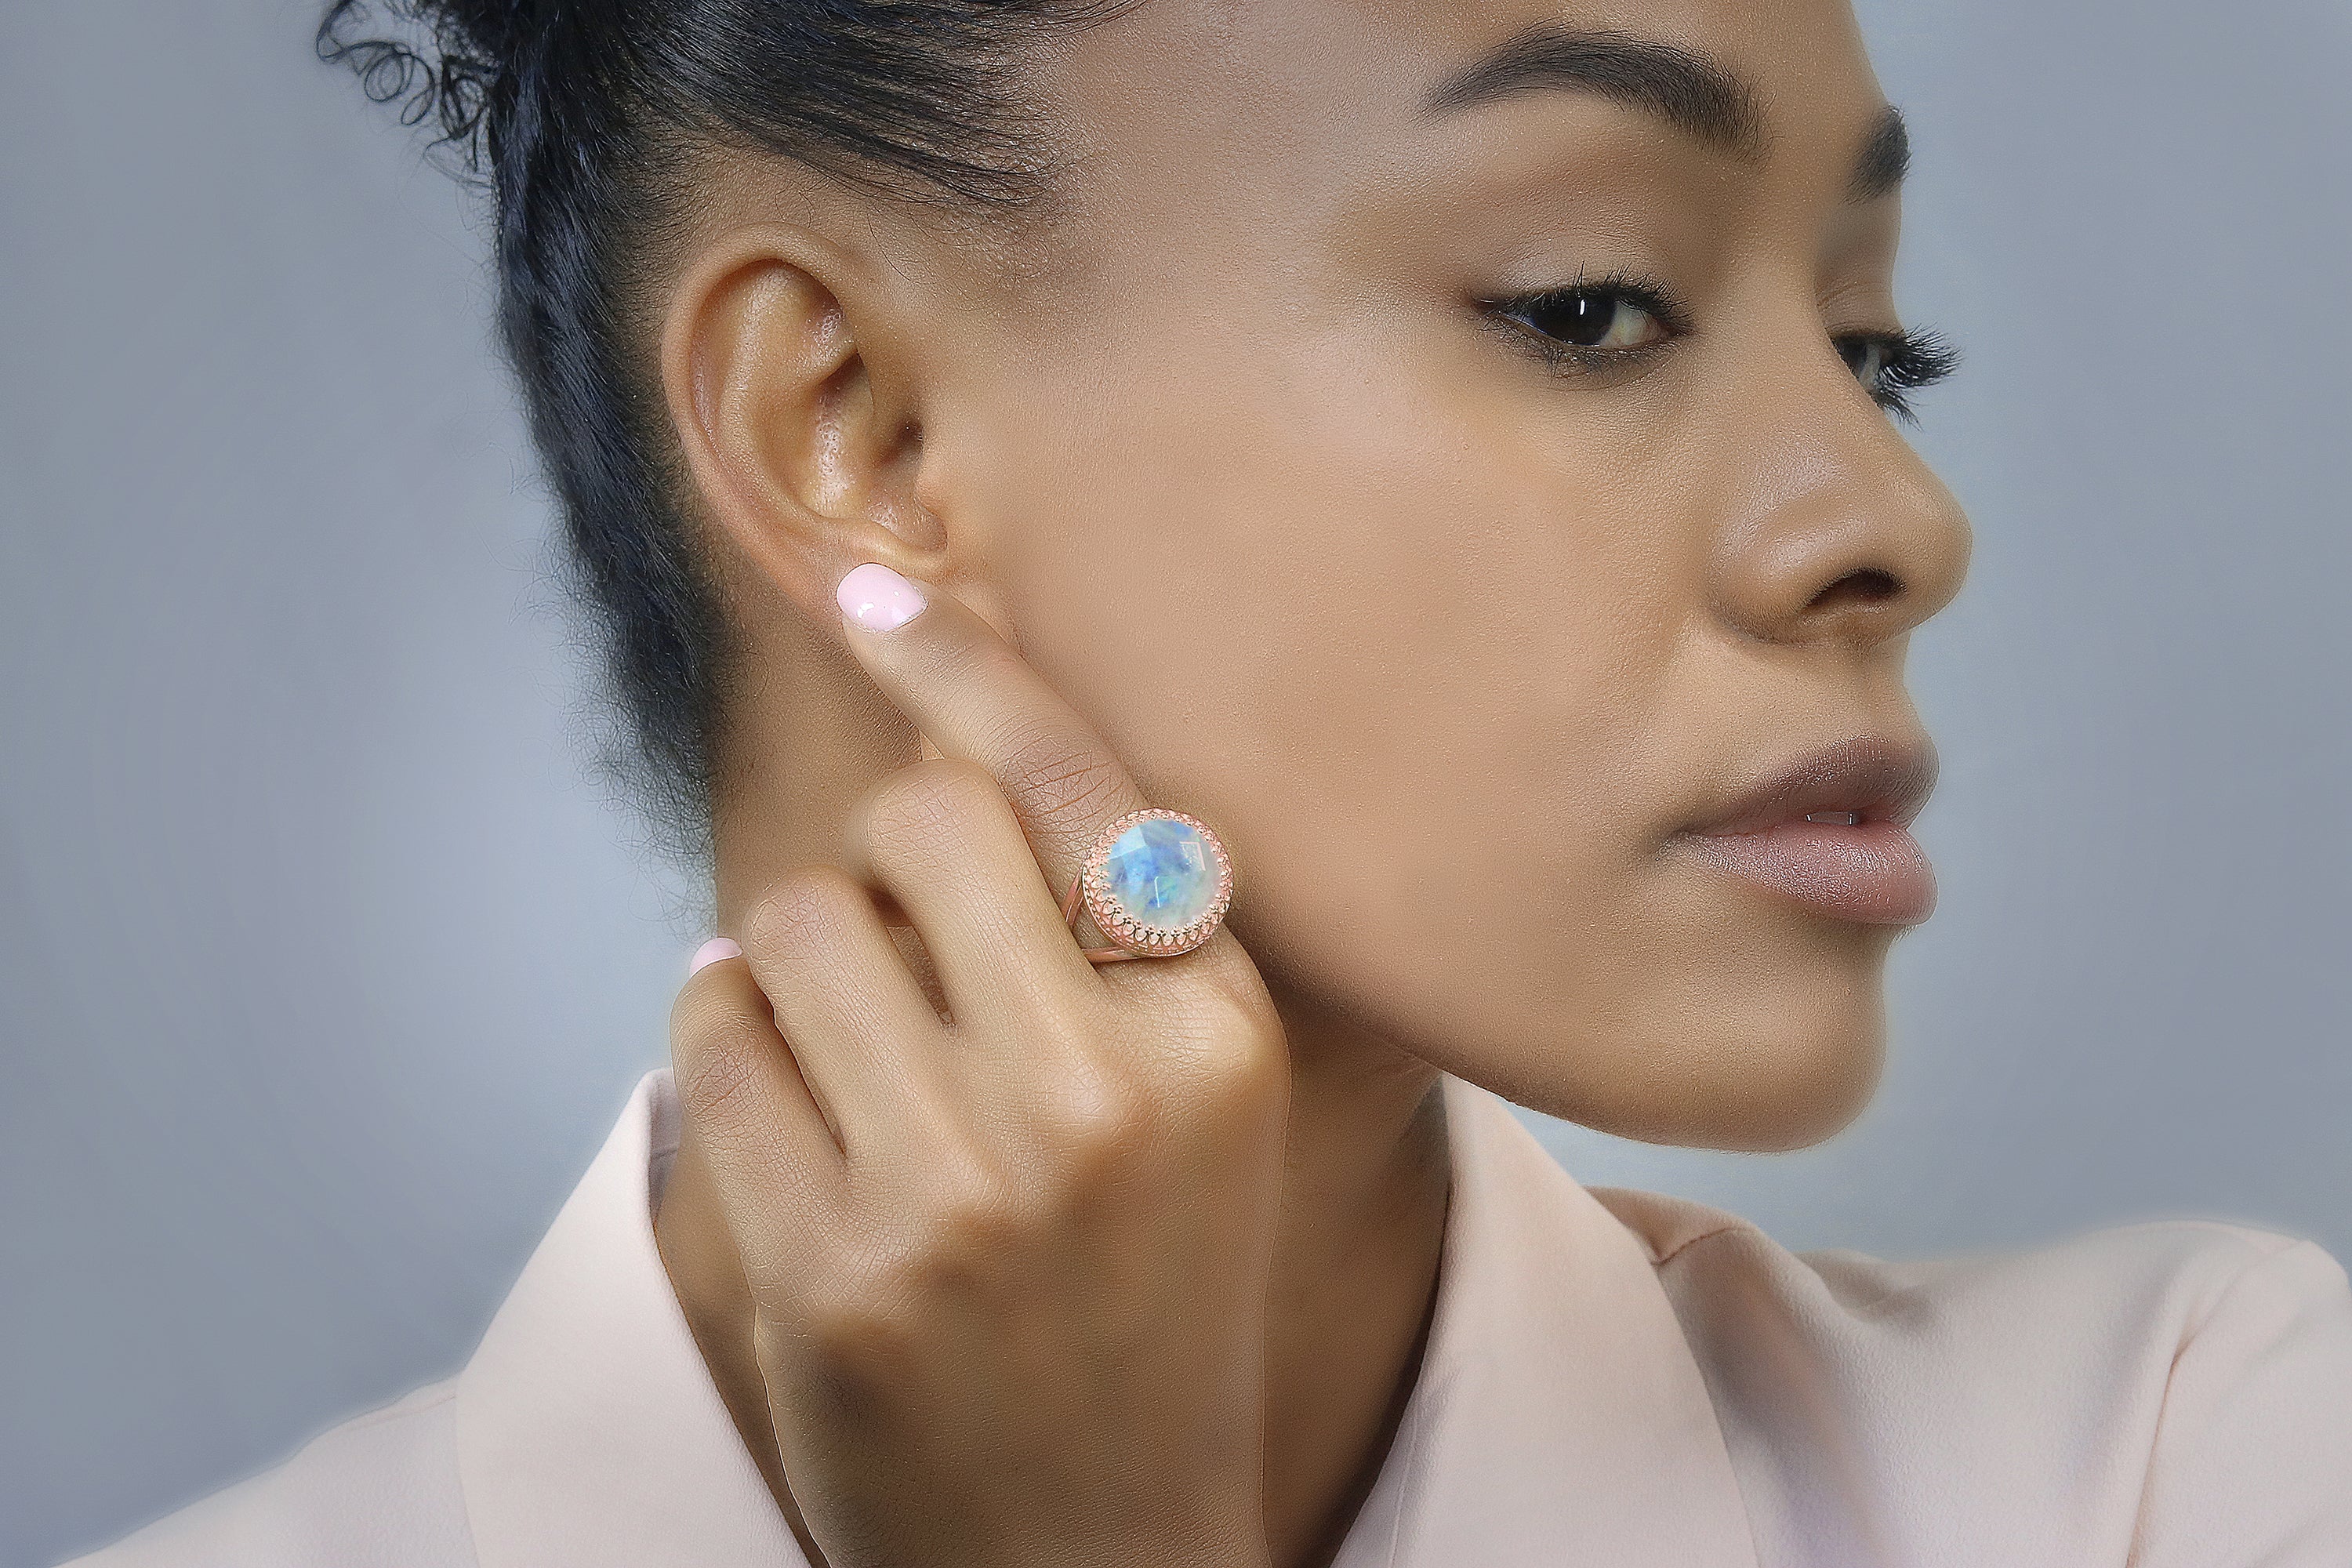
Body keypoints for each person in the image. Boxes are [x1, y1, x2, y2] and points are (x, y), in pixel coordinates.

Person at [66, 0, 2352, 1564]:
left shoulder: (2183, 1461)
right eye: (1587, 303)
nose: (1892, 518)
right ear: (848, 425)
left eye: (1878, 352)